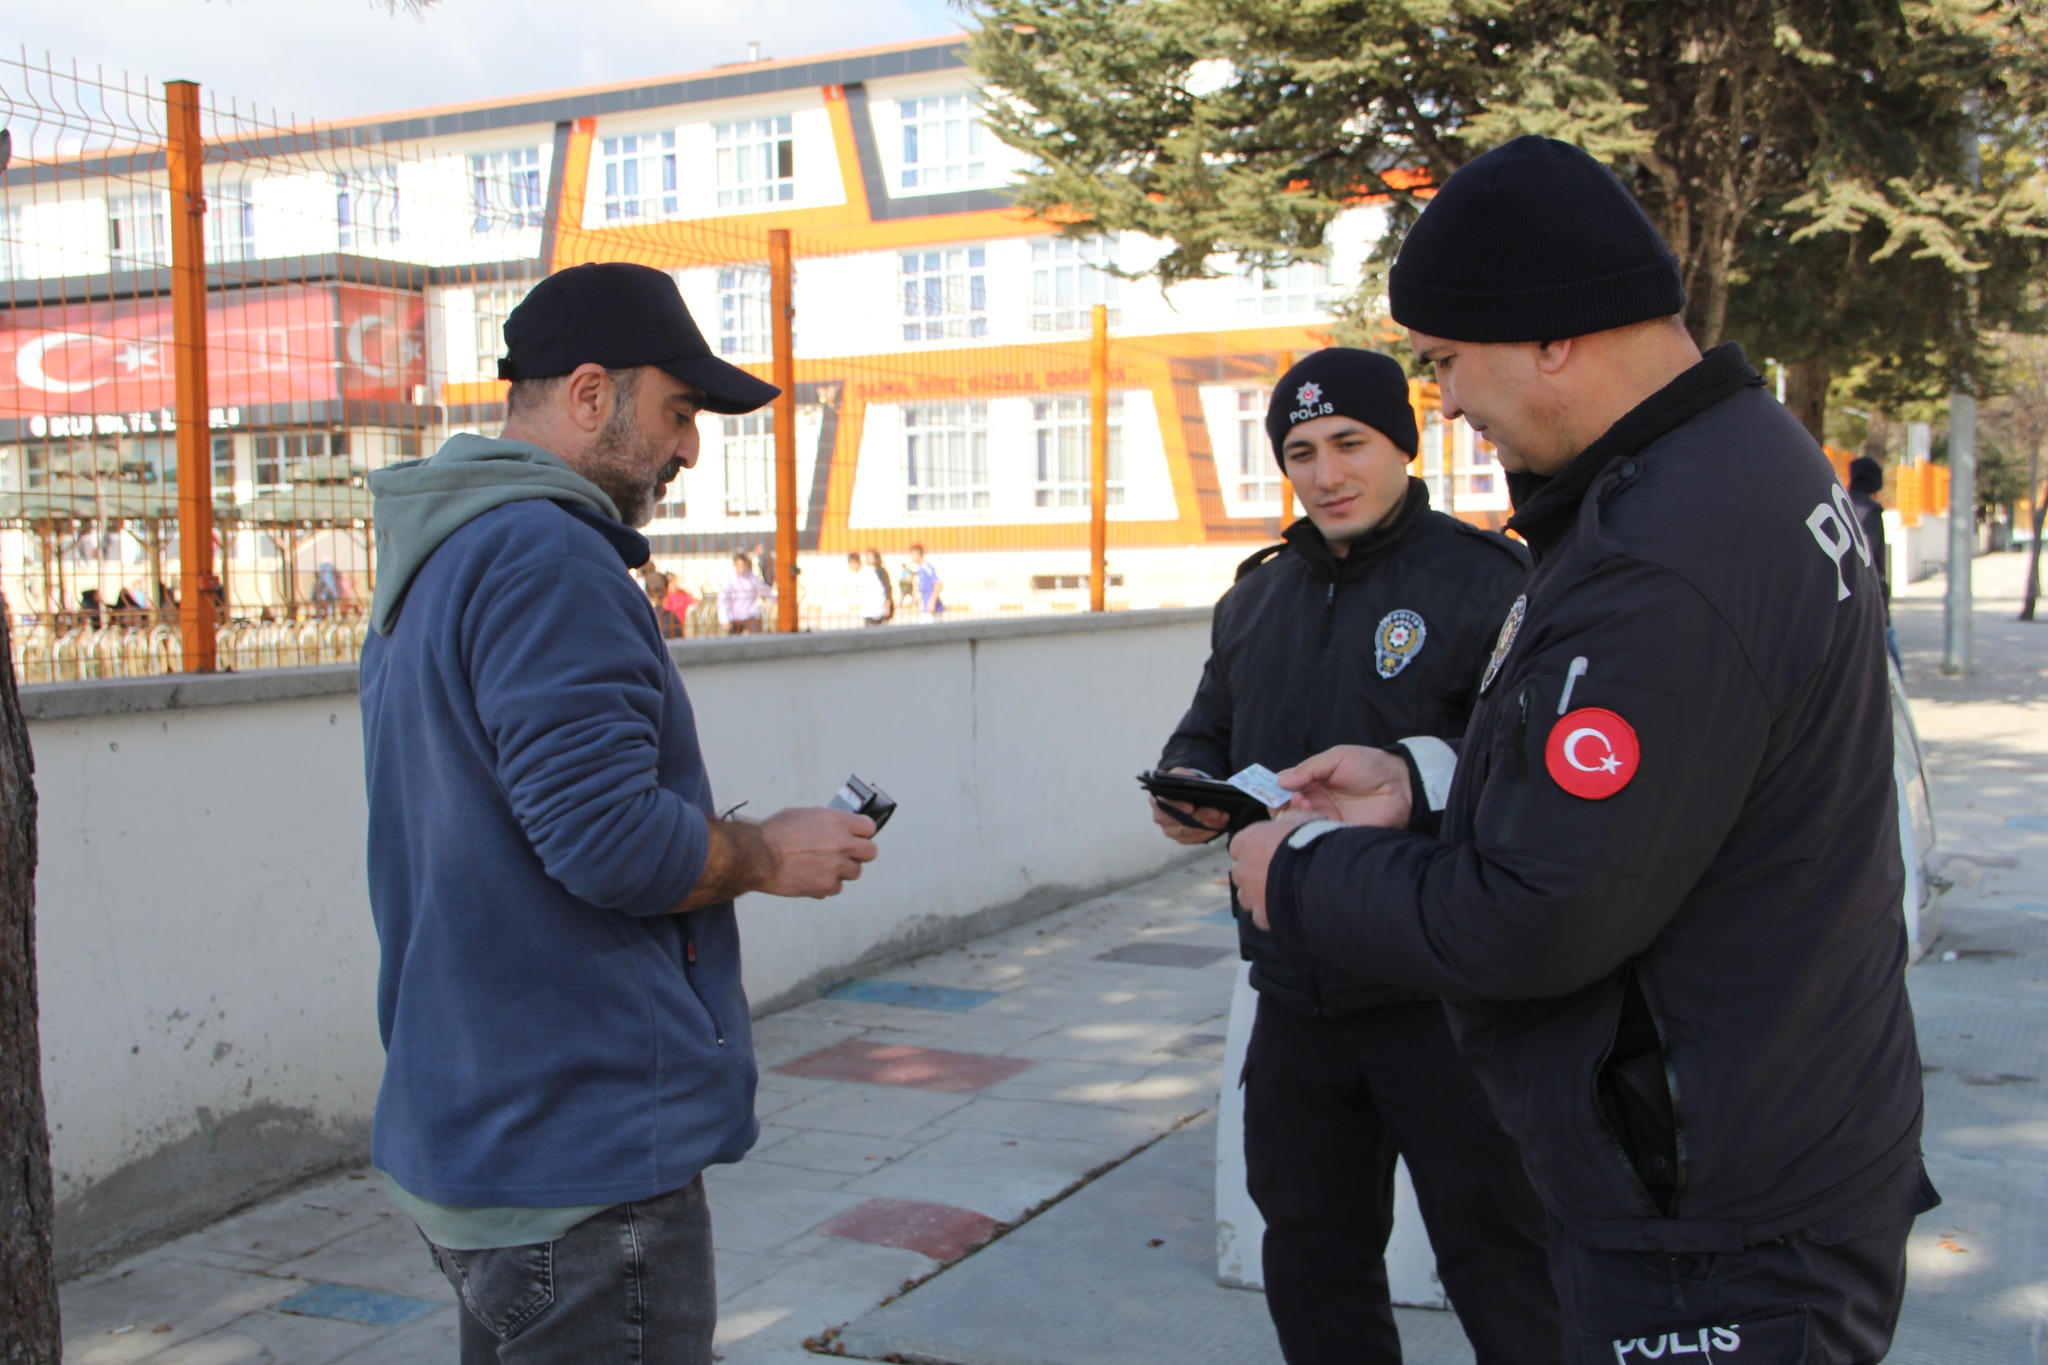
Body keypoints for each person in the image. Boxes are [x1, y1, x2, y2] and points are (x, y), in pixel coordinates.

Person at [1229, 137, 1935, 1365]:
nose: (1447, 399)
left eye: (1448, 360)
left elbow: (1535, 914)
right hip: (1754, 1135)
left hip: (1714, 1210)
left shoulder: (1661, 547)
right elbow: (1651, 780)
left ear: (1551, 336)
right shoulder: (1739, 455)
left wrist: (1294, 873)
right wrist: (1427, 782)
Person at [359, 261, 880, 1364]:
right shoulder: (546, 554)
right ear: (590, 394)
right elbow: (605, 840)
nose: (690, 448)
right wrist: (763, 852)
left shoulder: (447, 553)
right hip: (577, 1153)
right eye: (678, 412)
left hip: (489, 1129)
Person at [1154, 348, 1554, 1365]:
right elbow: (1207, 732)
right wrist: (1187, 790)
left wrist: (1411, 776)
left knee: (1501, 1260)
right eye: (1300, 452)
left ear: (1400, 446)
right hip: (1293, 991)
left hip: (1438, 990)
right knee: (1310, 1256)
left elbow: (1526, 768)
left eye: (1348, 444)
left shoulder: (1487, 583)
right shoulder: (1254, 600)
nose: (1326, 473)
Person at [1848, 456, 1900, 669]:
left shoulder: (1841, 504)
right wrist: (1883, 609)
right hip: (1869, 600)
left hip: (1844, 599)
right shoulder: (1870, 512)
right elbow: (1874, 564)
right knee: (1891, 659)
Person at [717, 551, 771, 635]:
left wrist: (773, 599)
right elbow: (723, 600)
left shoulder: (751, 576)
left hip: (751, 615)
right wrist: (724, 619)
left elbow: (763, 589)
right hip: (735, 618)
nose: (741, 568)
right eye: (738, 565)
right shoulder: (730, 579)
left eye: (742, 565)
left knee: (755, 641)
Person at [857, 548, 894, 627]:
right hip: (867, 608)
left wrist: (887, 604)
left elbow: (888, 589)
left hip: (879, 607)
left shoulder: (881, 572)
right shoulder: (863, 571)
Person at [907, 542, 943, 618]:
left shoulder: (926, 567)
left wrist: (931, 603)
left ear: (917, 554)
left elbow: (938, 585)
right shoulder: (920, 570)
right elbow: (922, 590)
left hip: (932, 610)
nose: (911, 557)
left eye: (912, 554)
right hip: (924, 609)